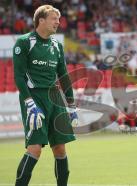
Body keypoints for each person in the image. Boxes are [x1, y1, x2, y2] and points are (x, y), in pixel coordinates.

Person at [13, 5, 79, 186]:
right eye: (53, 18)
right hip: (34, 98)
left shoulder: (57, 45)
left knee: (60, 148)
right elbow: (18, 76)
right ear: (40, 20)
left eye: (58, 19)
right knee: (35, 149)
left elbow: (64, 77)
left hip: (55, 97)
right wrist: (29, 103)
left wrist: (71, 105)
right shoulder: (24, 42)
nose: (58, 22)